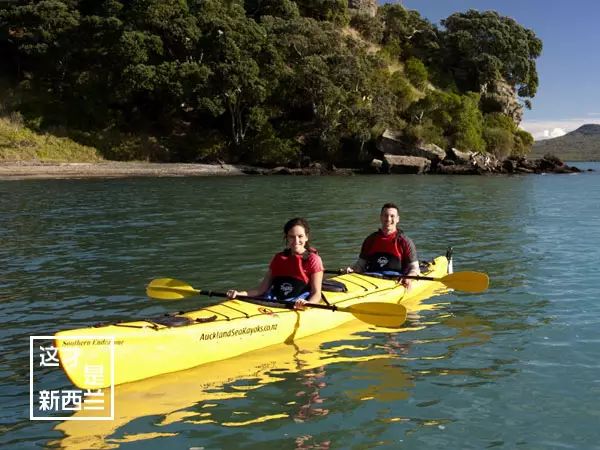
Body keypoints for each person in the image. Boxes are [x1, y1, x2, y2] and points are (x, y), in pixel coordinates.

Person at [227, 218, 324, 310]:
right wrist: (239, 294)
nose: (296, 241)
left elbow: (316, 294)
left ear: (307, 237)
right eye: (291, 237)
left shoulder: (313, 260)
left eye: (300, 236)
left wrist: (307, 304)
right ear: (286, 237)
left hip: (296, 302)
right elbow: (261, 289)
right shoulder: (279, 258)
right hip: (274, 300)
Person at [346, 202, 420, 289]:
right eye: (385, 215)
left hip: (395, 280)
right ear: (381, 218)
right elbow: (361, 265)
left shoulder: (405, 242)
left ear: (397, 219)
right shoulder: (370, 240)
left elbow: (415, 269)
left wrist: (408, 278)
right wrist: (352, 270)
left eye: (392, 216)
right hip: (370, 279)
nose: (388, 219)